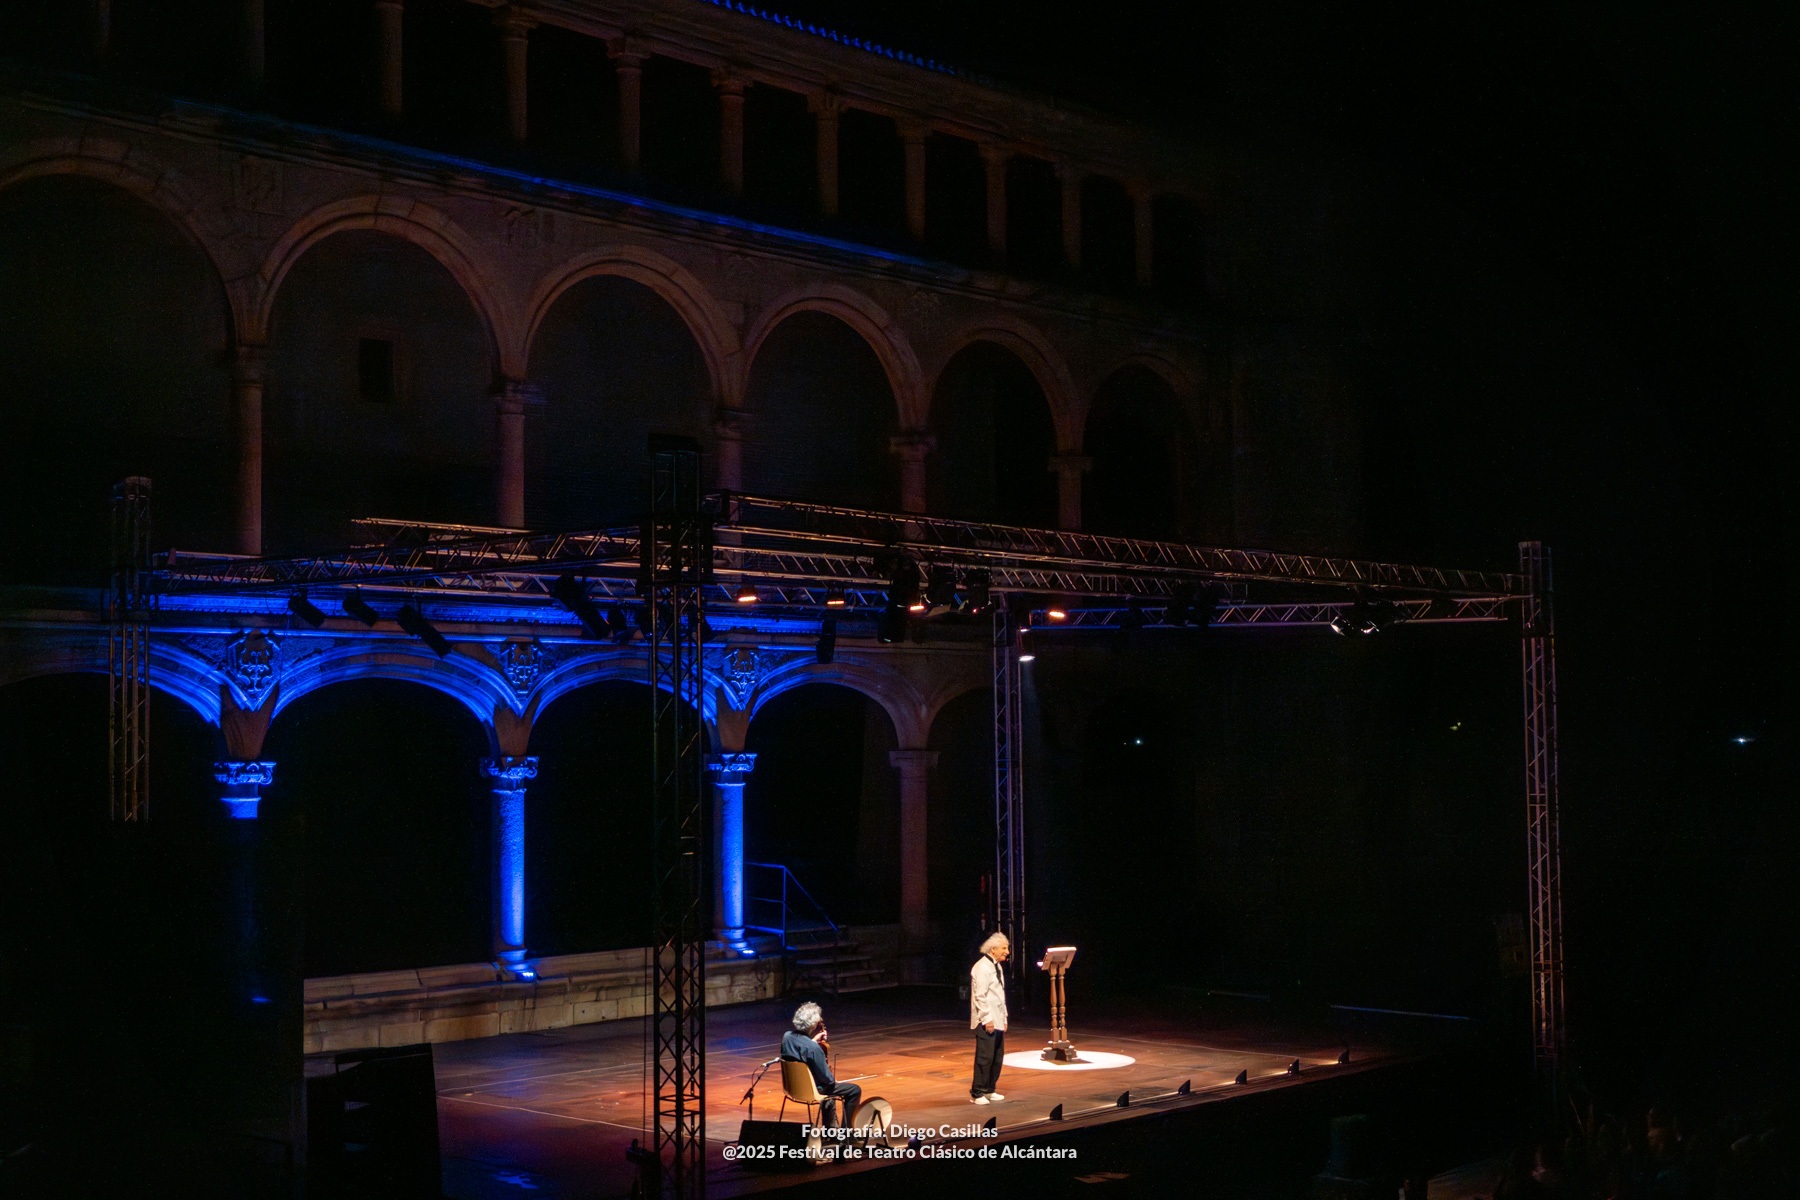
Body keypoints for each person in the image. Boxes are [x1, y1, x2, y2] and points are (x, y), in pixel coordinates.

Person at [780, 1001, 861, 1128]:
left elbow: (801, 1051)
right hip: (812, 1089)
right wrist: (832, 1078)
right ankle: (847, 1133)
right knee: (854, 1090)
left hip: (793, 1088)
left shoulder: (787, 1037)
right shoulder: (814, 1049)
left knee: (828, 1089)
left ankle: (830, 1129)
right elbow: (827, 1080)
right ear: (813, 1024)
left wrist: (813, 1041)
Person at [969, 932, 1010, 1104]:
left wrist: (1004, 1018)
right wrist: (987, 1019)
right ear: (993, 949)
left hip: (998, 1018)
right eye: (1004, 948)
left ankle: (989, 1089)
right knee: (984, 1058)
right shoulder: (982, 967)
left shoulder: (996, 966)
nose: (1007, 952)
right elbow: (980, 996)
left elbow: (999, 994)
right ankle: (977, 1092)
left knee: (997, 1057)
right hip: (987, 1020)